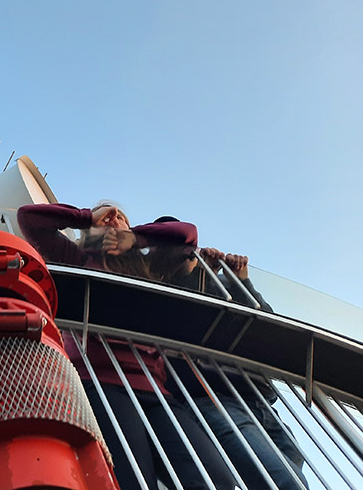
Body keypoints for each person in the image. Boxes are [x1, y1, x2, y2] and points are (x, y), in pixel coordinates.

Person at [17, 201, 234, 490]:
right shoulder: (77, 257)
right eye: (106, 214)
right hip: (101, 383)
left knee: (215, 478)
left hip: (156, 390)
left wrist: (136, 238)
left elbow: (187, 235)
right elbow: (29, 218)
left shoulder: (146, 266)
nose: (113, 216)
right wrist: (86, 218)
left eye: (119, 215)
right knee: (133, 480)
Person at [167, 248, 308, 488]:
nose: (186, 253)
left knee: (293, 475)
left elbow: (266, 324)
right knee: (284, 482)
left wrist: (240, 279)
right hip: (215, 399)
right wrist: (202, 272)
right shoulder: (166, 283)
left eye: (189, 249)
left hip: (260, 402)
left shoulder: (223, 284)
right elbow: (184, 318)